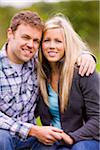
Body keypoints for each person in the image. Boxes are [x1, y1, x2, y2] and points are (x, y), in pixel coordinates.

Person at [0, 10, 97, 150]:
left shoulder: (36, 65)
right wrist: (32, 130)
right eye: (25, 37)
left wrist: (86, 55)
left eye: (36, 41)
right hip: (10, 136)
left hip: (34, 140)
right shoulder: (37, 67)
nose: (30, 44)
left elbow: (61, 48)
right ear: (10, 34)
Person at [34, 14, 99, 150]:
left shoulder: (84, 72)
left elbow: (98, 118)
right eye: (47, 41)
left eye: (58, 41)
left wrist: (71, 138)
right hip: (54, 140)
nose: (52, 46)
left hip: (85, 139)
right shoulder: (39, 74)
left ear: (67, 44)